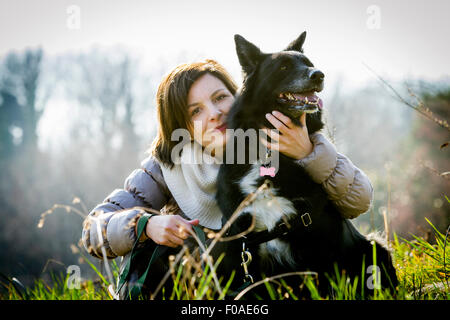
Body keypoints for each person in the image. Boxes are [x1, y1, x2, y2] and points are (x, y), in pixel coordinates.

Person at [81, 59, 373, 295]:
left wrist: (309, 153)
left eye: (221, 97)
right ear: (178, 126)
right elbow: (93, 230)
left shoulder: (280, 141)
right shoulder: (166, 168)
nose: (215, 113)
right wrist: (145, 225)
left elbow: (358, 202)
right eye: (196, 111)